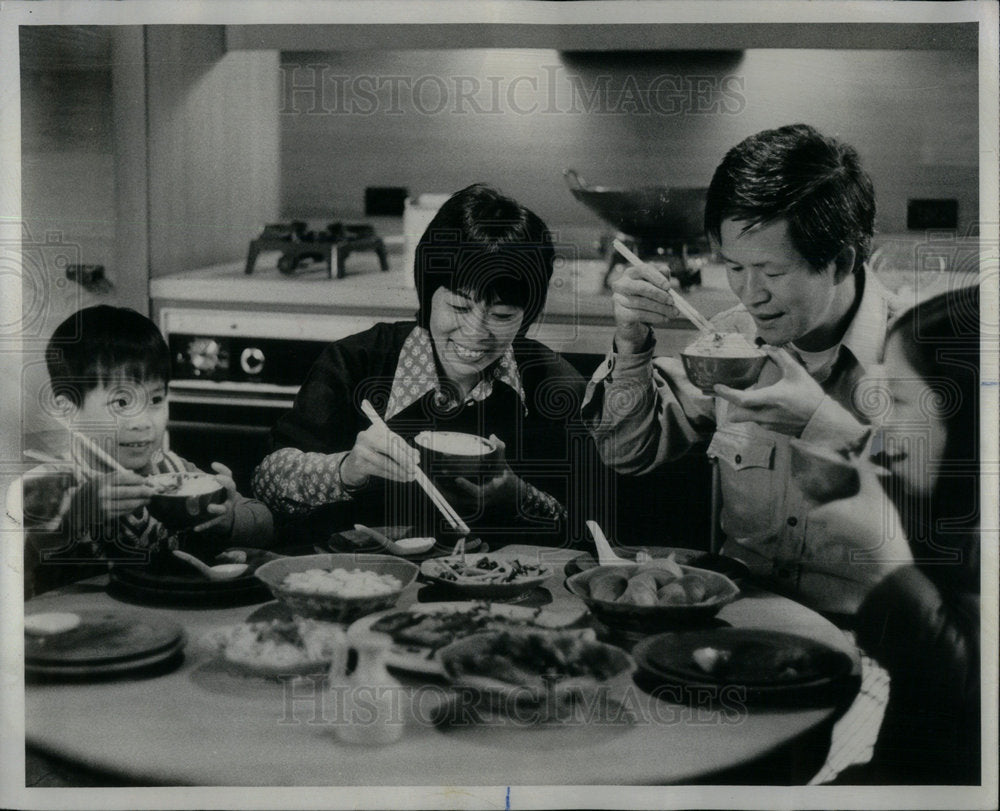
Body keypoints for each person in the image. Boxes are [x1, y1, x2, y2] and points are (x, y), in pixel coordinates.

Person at [583, 123, 903, 613]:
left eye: (773, 272)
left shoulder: (926, 352)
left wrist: (820, 424)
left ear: (841, 261)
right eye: (734, 267)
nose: (750, 294)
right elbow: (627, 452)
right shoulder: (732, 338)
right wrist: (632, 345)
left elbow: (954, 526)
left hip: (870, 639)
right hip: (737, 623)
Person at [253, 184, 592, 547]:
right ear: (427, 293)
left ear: (527, 316)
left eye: (502, 314)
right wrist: (345, 471)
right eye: (460, 307)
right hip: (365, 587)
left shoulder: (553, 384)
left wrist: (518, 496)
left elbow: (590, 528)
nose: (475, 334)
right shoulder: (358, 361)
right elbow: (265, 482)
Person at [806, 285, 981, 784]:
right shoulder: (952, 507)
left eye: (900, 400)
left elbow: (962, 687)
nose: (881, 419)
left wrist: (886, 558)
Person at [11, 306, 274, 597]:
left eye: (156, 399)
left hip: (166, 616)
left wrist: (228, 518)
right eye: (121, 403)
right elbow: (33, 545)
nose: (143, 422)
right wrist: (81, 510)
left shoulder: (174, 471)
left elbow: (265, 523)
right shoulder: (46, 484)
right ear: (67, 409)